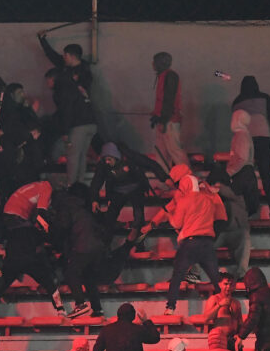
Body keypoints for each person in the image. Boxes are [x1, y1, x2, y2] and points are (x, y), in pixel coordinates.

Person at [144, 172, 227, 314]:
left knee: (177, 275)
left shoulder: (184, 200)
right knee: (216, 278)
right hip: (207, 242)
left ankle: (170, 307)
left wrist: (169, 215)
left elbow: (177, 223)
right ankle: (228, 303)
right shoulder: (208, 199)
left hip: (190, 243)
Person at [0, 181, 59, 311]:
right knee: (27, 242)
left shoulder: (39, 186)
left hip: (10, 213)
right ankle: (60, 309)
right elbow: (41, 216)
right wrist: (49, 234)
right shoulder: (47, 189)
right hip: (17, 216)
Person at [51, 184, 106, 318]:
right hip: (97, 246)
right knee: (89, 276)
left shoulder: (65, 206)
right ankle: (97, 308)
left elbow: (63, 227)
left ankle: (80, 304)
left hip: (84, 244)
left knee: (71, 273)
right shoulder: (81, 206)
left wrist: (51, 232)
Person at [233, 76, 270, 219]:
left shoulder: (237, 102)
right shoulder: (265, 98)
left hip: (244, 139)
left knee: (245, 174)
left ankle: (247, 211)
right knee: (266, 175)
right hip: (263, 138)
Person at [44, 65, 97, 187]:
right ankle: (80, 184)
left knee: (72, 156)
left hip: (78, 126)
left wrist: (64, 131)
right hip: (91, 124)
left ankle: (72, 185)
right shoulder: (75, 87)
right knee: (82, 155)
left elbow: (66, 111)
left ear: (53, 79)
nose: (47, 84)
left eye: (48, 81)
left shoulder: (62, 90)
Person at [90, 142, 151, 231]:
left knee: (139, 216)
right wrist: (94, 199)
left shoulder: (128, 161)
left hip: (135, 189)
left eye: (109, 159)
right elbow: (97, 181)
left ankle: (138, 240)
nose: (107, 162)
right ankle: (105, 241)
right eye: (105, 159)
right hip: (117, 192)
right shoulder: (104, 166)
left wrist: (145, 188)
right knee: (110, 216)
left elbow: (141, 175)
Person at [149, 51, 188, 169]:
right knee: (161, 153)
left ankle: (188, 180)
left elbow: (168, 100)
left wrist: (163, 119)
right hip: (164, 120)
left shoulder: (170, 76)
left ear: (161, 63)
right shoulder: (163, 76)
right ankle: (164, 182)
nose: (152, 64)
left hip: (169, 121)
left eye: (154, 61)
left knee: (174, 151)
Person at [227, 109, 261, 216]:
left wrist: (229, 172)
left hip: (242, 175)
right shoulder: (245, 135)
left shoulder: (241, 136)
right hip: (246, 174)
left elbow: (242, 158)